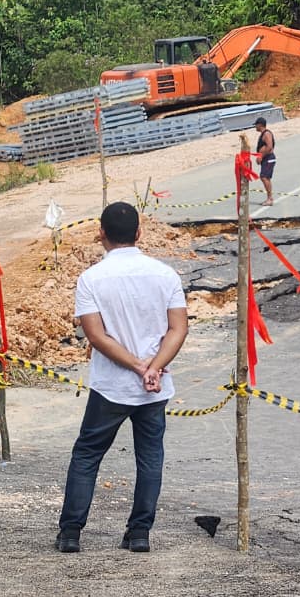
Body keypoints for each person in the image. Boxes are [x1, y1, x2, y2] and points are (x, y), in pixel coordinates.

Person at [56, 201, 188, 554]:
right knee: (150, 457)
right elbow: (178, 328)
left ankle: (71, 533)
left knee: (87, 454)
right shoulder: (165, 275)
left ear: (101, 234)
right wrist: (153, 367)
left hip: (112, 386)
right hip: (154, 388)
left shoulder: (91, 279)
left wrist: (135, 366)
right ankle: (139, 533)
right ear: (139, 234)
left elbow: (96, 336)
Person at [254, 116, 276, 206]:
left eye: (256, 125)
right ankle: (269, 197)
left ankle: (270, 198)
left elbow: (269, 146)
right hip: (266, 158)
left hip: (268, 158)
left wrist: (261, 156)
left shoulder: (266, 134)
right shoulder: (263, 134)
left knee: (264, 177)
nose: (255, 127)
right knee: (266, 177)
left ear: (260, 125)